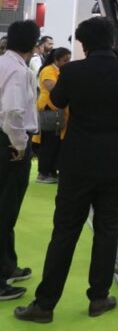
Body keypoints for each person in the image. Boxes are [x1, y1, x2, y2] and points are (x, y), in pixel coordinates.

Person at [15, 17, 118, 323]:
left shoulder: (72, 71)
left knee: (65, 232)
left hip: (77, 163)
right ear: (112, 40)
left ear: (84, 45)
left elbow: (56, 100)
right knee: (108, 231)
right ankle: (99, 298)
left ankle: (44, 305)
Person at [0, 20, 41, 301]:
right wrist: (19, 144)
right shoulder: (16, 70)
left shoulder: (6, 64)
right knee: (6, 210)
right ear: (33, 43)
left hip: (6, 141)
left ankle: (8, 266)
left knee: (6, 209)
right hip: (9, 144)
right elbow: (12, 112)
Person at [32, 47, 72, 184]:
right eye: (65, 60)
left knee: (56, 143)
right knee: (49, 142)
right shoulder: (48, 70)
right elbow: (54, 89)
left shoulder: (60, 71)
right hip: (49, 109)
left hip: (58, 110)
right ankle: (43, 173)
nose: (67, 63)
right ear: (56, 59)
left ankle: (52, 171)